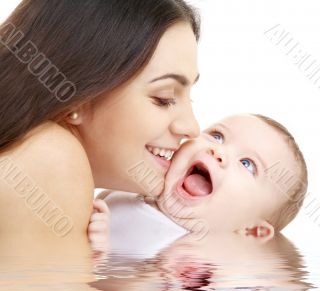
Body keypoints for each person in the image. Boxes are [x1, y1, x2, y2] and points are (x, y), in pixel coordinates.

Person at [0, 0, 200, 257]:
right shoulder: (51, 158)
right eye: (164, 98)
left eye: (190, 98)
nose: (192, 127)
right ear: (77, 97)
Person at [91, 113, 308, 255]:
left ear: (252, 230)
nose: (218, 151)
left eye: (247, 164)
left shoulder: (189, 251)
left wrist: (99, 246)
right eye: (218, 136)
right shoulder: (125, 190)